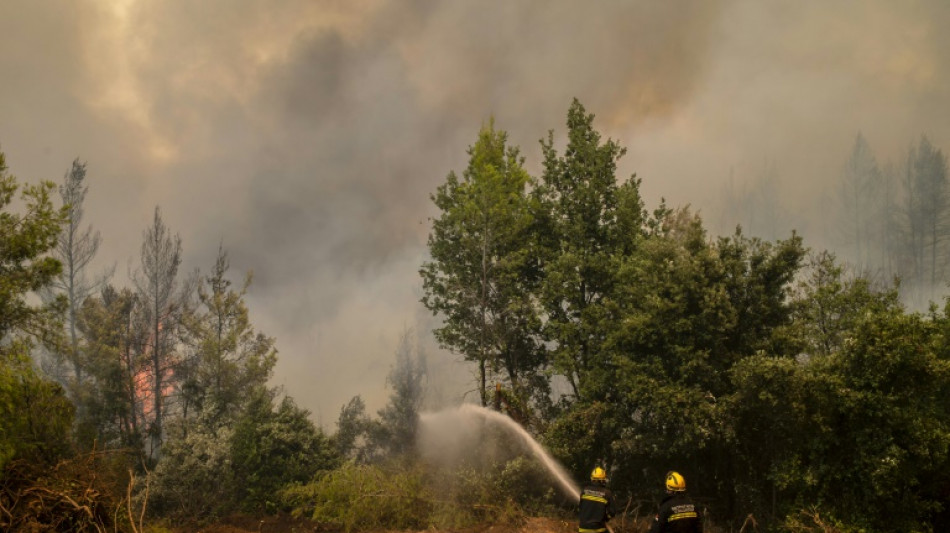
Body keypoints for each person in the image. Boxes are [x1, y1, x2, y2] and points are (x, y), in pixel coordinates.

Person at [578, 466, 616, 533]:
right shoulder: (607, 493)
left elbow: (580, 509)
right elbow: (612, 512)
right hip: (598, 529)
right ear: (603, 480)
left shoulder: (584, 491)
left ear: (592, 478)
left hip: (583, 529)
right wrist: (606, 518)